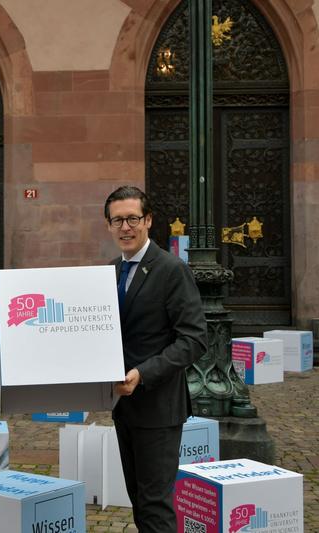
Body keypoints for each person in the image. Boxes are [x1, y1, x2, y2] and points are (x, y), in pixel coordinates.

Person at [105, 186, 207, 533]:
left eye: (133, 218)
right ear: (109, 225)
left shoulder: (170, 269)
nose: (125, 227)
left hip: (159, 408)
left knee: (155, 505)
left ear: (148, 221)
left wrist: (143, 373)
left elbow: (193, 339)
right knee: (138, 498)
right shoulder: (108, 271)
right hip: (123, 406)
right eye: (117, 220)